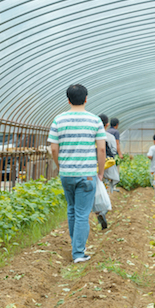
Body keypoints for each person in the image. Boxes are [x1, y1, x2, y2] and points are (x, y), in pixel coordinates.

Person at [48, 84, 106, 264]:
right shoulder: (95, 120)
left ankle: (76, 246)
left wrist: (60, 166)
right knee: (82, 213)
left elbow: (53, 149)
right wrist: (101, 172)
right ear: (86, 98)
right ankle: (79, 253)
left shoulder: (58, 120)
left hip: (67, 173)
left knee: (72, 210)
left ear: (68, 99)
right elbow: (102, 149)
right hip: (87, 174)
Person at [98, 114, 120, 194]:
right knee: (105, 191)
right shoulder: (110, 137)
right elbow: (114, 151)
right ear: (107, 124)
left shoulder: (92, 136)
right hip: (107, 167)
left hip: (94, 169)